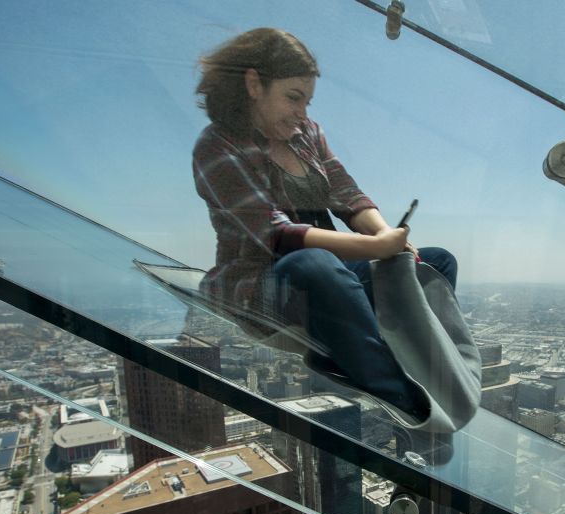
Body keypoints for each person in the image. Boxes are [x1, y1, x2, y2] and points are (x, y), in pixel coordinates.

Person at [193, 28, 456, 421]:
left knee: (436, 262)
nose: (303, 112)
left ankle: (412, 360)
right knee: (315, 265)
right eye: (293, 98)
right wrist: (374, 249)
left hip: (330, 270)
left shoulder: (307, 134)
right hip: (264, 284)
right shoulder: (216, 146)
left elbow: (346, 192)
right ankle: (402, 398)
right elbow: (277, 235)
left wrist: (387, 237)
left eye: (307, 101)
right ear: (253, 84)